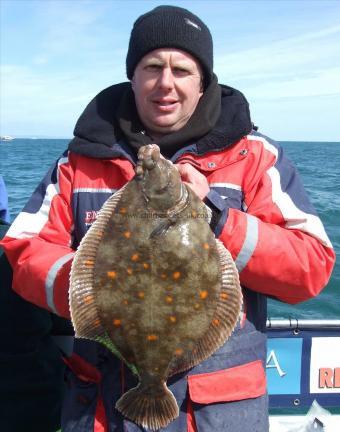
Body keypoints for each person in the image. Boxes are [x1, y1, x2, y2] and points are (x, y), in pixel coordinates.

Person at [0, 5, 335, 432]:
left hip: (219, 410)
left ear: (203, 81)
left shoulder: (254, 156)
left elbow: (312, 266)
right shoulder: (79, 160)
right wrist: (92, 284)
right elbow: (23, 250)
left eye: (182, 69)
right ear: (133, 76)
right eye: (152, 66)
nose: (166, 83)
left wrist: (217, 218)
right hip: (102, 406)